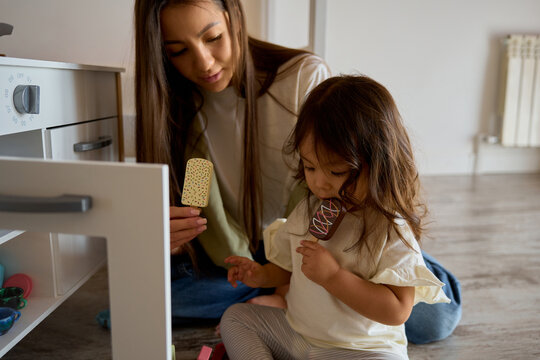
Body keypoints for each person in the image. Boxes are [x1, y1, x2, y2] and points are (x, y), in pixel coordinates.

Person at [105, 0, 461, 344]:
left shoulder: (299, 78)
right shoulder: (177, 110)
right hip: (242, 257)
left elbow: (330, 192)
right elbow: (197, 208)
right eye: (177, 50)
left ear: (235, 21)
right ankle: (292, 293)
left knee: (432, 317)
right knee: (140, 299)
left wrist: (287, 290)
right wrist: (172, 239)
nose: (204, 62)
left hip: (319, 242)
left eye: (213, 38)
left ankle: (301, 293)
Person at [220, 75, 451, 360]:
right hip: (298, 335)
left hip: (360, 350)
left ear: (377, 164)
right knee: (236, 317)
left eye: (336, 172)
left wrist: (334, 277)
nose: (320, 184)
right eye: (310, 167)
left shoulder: (390, 229)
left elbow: (397, 311)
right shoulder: (308, 210)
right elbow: (290, 266)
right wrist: (261, 274)